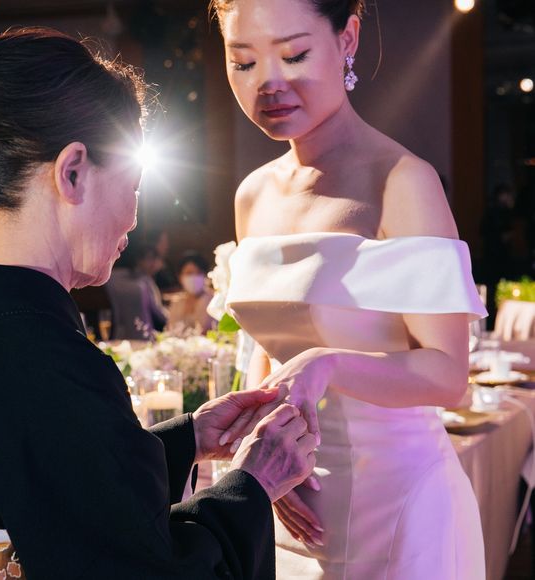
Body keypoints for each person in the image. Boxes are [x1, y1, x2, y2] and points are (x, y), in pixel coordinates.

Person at [0, 28, 318, 580]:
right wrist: (252, 484)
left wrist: (188, 439)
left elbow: (56, 479)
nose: (134, 216)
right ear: (72, 172)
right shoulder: (44, 363)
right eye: (134, 183)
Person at [209, 1, 488, 578]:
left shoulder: (401, 181)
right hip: (289, 501)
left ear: (348, 38)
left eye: (294, 55)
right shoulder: (253, 194)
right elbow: (267, 350)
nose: (269, 83)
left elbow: (448, 375)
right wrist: (262, 458)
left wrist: (327, 362)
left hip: (399, 503)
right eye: (244, 62)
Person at [106, 234, 168, 338]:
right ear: (139, 260)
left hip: (118, 334)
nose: (153, 263)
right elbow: (159, 314)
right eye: (149, 259)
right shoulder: (144, 281)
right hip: (143, 334)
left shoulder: (113, 277)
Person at [166, 252, 214, 333]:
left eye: (198, 273)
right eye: (189, 273)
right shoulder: (177, 302)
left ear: (205, 275)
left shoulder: (211, 300)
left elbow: (206, 329)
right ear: (180, 277)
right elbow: (170, 329)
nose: (194, 277)